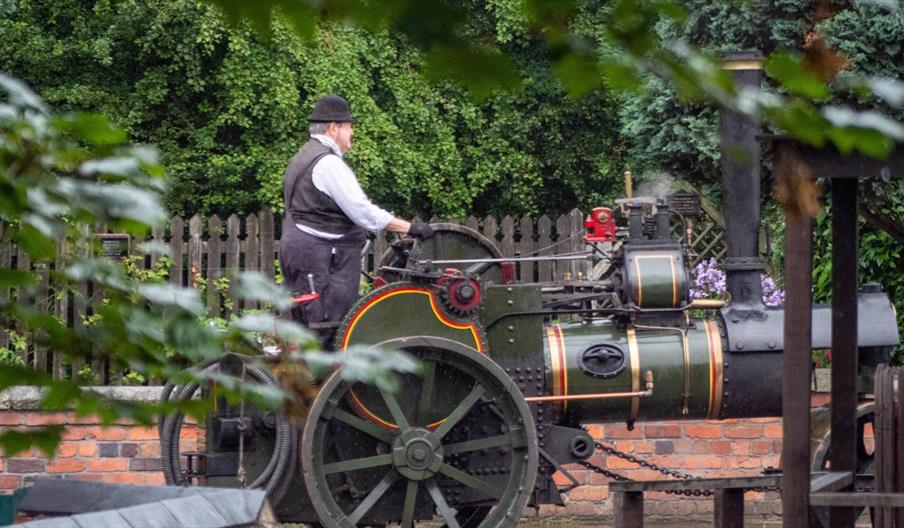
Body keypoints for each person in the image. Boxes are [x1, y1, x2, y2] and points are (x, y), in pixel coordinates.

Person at [280, 94, 433, 348]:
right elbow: (362, 211)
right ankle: (318, 385)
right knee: (327, 329)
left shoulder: (303, 156)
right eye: (349, 126)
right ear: (333, 128)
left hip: (303, 252)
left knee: (310, 327)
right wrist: (410, 228)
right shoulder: (328, 164)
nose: (353, 132)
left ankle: (308, 381)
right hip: (321, 260)